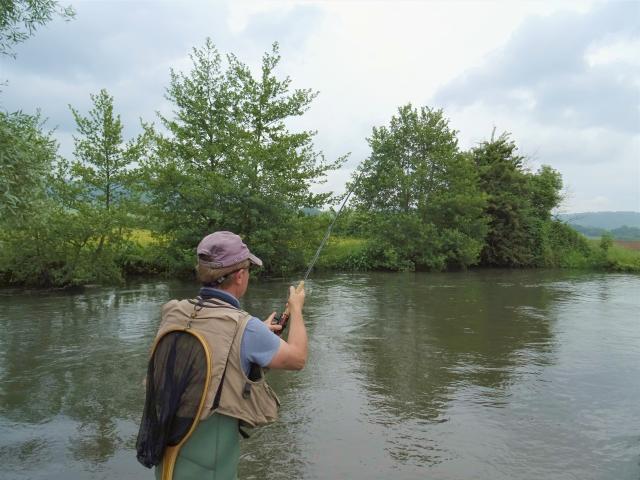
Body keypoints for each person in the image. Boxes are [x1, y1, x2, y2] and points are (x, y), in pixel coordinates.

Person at [136, 231, 307, 480]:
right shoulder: (246, 327)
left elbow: (210, 341)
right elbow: (297, 358)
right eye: (248, 269)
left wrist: (256, 332)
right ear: (239, 276)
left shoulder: (175, 311)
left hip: (168, 456)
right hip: (211, 465)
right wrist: (297, 309)